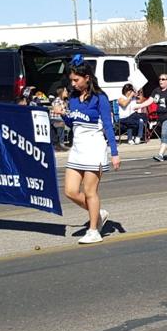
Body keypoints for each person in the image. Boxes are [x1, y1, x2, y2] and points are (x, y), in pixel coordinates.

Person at [55, 55, 120, 244]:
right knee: (70, 191)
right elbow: (73, 121)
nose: (73, 84)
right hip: (77, 149)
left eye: (76, 80)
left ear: (87, 78)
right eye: (71, 80)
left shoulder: (100, 98)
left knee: (90, 191)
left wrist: (114, 153)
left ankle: (94, 230)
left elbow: (108, 126)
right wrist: (63, 115)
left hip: (95, 149)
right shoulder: (74, 98)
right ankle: (97, 213)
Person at [50, 86, 69, 151]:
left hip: (59, 119)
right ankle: (61, 143)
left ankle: (60, 144)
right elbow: (57, 110)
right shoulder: (57, 100)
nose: (67, 92)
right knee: (61, 123)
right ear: (61, 92)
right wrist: (64, 112)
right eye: (65, 91)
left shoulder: (64, 101)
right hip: (55, 119)